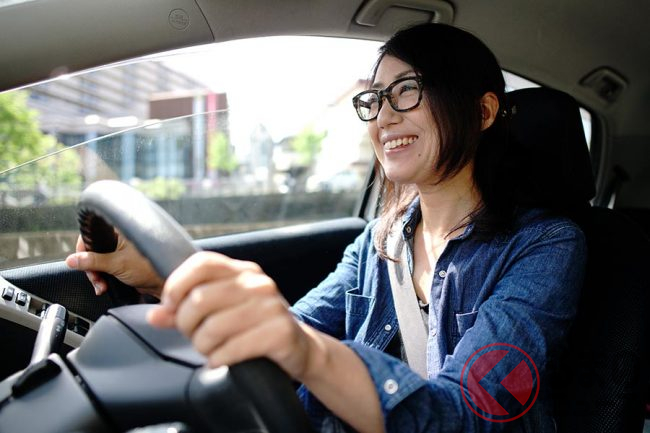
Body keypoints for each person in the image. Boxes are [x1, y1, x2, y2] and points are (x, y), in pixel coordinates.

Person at [66, 23, 586, 433]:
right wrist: (161, 281)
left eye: (406, 91)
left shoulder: (546, 247)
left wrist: (309, 354)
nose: (383, 118)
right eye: (375, 99)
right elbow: (287, 332)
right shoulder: (379, 242)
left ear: (483, 111)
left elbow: (471, 417)